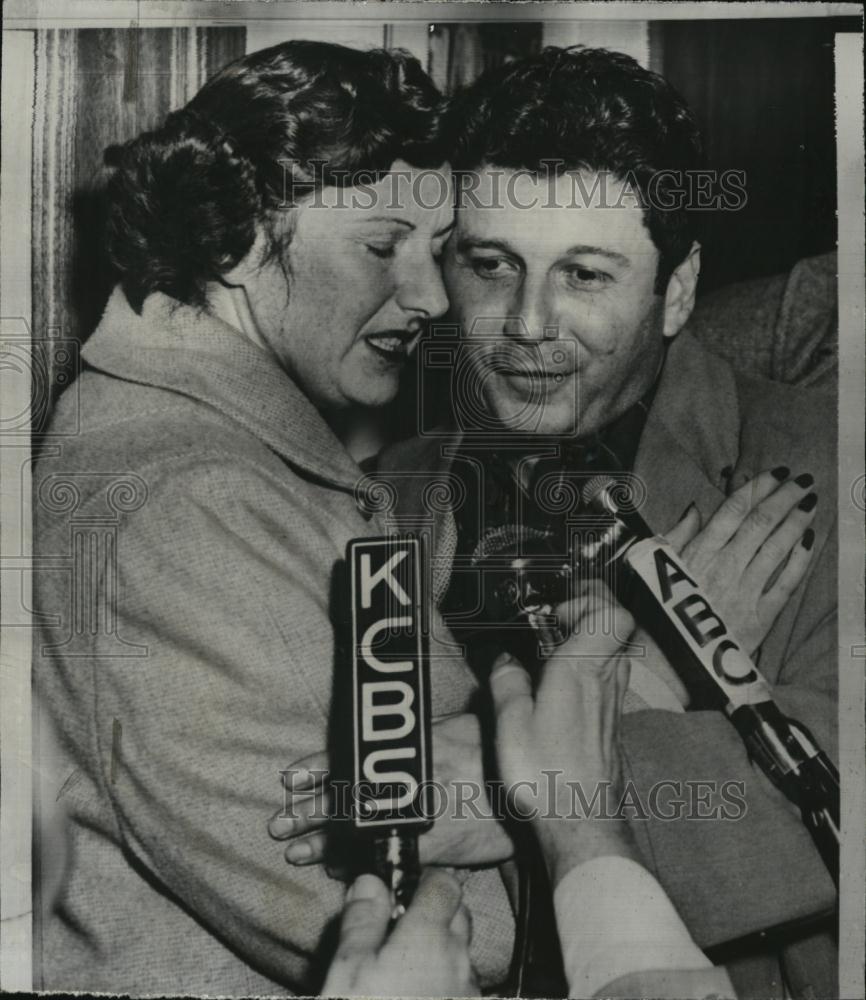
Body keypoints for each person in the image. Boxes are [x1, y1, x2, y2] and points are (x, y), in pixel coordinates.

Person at [277, 46, 838, 999]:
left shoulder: (830, 463)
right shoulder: (362, 495)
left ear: (681, 289)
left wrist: (516, 791)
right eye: (492, 266)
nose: (527, 325)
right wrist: (648, 705)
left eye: (584, 275)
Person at [32, 40, 519, 996]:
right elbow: (432, 934)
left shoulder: (217, 456)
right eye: (384, 247)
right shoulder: (183, 513)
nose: (429, 299)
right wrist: (541, 786)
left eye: (437, 251)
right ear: (239, 243)